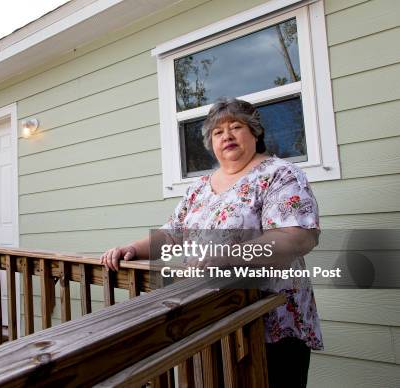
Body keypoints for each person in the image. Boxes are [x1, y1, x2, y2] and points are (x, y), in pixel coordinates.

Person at [100, 97, 323, 388]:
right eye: (218, 132)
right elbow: (172, 233)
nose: (227, 136)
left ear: (255, 133)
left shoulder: (279, 174)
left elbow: (296, 238)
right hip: (208, 319)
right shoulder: (199, 188)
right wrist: (133, 248)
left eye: (236, 127)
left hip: (269, 323)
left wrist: (227, 255)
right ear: (211, 142)